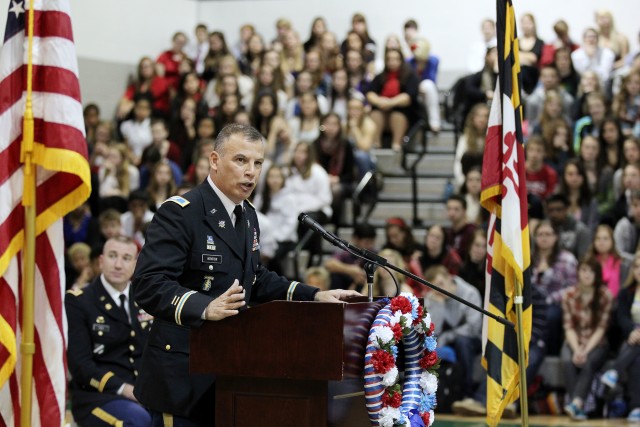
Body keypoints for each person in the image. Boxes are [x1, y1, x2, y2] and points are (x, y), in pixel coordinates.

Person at [131, 124, 360, 426]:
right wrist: (203, 306)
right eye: (240, 160)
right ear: (214, 161)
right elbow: (148, 285)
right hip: (182, 376)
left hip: (232, 374)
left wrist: (314, 295)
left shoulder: (247, 214)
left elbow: (256, 279)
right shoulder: (181, 212)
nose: (251, 172)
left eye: (257, 163)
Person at [66, 236, 152, 427]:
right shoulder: (80, 301)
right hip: (98, 396)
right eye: (113, 256)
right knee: (138, 420)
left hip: (144, 392)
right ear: (101, 261)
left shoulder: (145, 299)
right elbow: (80, 365)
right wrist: (123, 388)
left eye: (126, 258)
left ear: (136, 264)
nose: (119, 265)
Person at [562, 257, 613, 421]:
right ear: (577, 272)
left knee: (589, 361)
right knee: (567, 359)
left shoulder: (605, 295)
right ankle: (577, 406)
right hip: (574, 340)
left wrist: (585, 350)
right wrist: (577, 349)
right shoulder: (569, 295)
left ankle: (576, 403)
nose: (587, 275)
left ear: (597, 275)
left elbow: (601, 328)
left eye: (591, 271)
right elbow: (568, 327)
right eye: (584, 270)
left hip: (597, 342)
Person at [424, 265, 482, 403]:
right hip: (448, 337)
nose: (439, 289)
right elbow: (434, 330)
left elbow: (474, 327)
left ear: (449, 278)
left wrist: (448, 336)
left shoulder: (469, 293)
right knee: (426, 344)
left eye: (441, 284)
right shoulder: (433, 297)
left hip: (473, 338)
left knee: (462, 342)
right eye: (435, 287)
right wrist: (438, 304)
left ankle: (467, 394)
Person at [324, 222, 377, 291]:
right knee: (335, 276)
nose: (369, 246)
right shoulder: (346, 251)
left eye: (372, 242)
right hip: (344, 286)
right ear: (355, 239)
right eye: (366, 243)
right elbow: (329, 264)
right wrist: (350, 270)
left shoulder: (375, 253)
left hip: (366, 286)